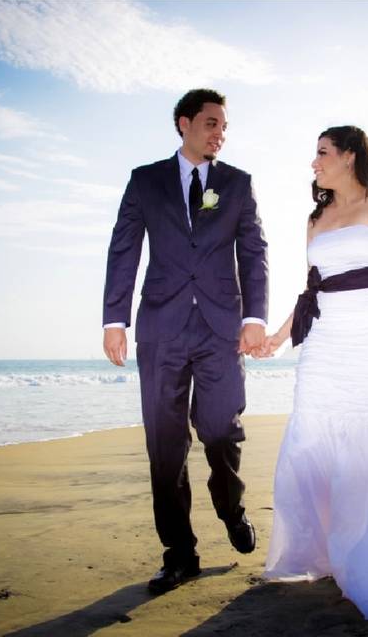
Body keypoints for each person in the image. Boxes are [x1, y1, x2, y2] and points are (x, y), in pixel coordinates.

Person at [256, 126, 368, 621]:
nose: (314, 163)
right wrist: (280, 335)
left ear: (350, 156)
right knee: (311, 438)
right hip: (326, 342)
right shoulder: (316, 218)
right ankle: (324, 554)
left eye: (323, 153)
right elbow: (311, 289)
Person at [102, 88, 269, 595]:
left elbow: (254, 251)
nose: (220, 133)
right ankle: (180, 553)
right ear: (184, 123)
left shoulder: (237, 184)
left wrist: (255, 315)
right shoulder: (145, 181)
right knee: (165, 445)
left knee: (220, 430)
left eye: (224, 126)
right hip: (162, 327)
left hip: (222, 328)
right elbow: (124, 247)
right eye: (211, 124)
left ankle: (231, 506)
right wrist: (115, 320)